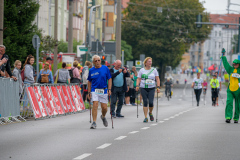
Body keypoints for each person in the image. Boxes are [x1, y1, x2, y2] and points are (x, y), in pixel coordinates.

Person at [87, 55, 112, 129]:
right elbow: (89, 81)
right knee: (95, 104)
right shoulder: (91, 70)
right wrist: (89, 92)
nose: (97, 62)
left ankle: (103, 116)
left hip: (103, 89)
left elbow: (109, 78)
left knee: (104, 108)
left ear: (100, 61)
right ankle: (94, 122)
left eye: (99, 60)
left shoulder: (105, 68)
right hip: (94, 89)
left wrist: (109, 89)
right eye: (96, 61)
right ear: (93, 62)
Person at [136, 57, 160, 123]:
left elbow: (157, 79)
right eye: (149, 61)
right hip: (143, 87)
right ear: (145, 63)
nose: (150, 63)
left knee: (151, 102)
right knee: (145, 101)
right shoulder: (141, 70)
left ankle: (150, 112)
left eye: (151, 61)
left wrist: (158, 87)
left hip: (151, 87)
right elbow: (138, 79)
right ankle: (146, 117)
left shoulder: (154, 70)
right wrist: (137, 86)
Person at [222, 55, 240, 123]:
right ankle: (228, 117)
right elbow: (226, 64)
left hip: (238, 90)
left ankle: (236, 118)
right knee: (229, 102)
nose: (235, 65)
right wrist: (224, 56)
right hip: (230, 89)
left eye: (236, 64)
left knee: (238, 104)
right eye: (234, 64)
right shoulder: (230, 69)